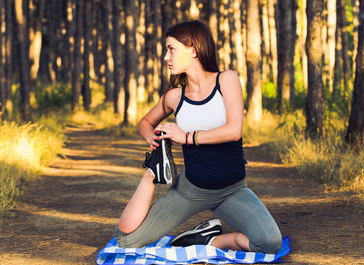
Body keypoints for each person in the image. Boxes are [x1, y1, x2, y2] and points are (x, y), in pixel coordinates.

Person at [114, 20, 282, 253]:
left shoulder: (227, 80)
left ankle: (208, 240)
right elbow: (145, 123)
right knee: (126, 241)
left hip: (233, 189)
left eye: (171, 49)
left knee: (270, 243)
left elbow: (234, 131)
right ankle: (149, 176)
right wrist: (155, 145)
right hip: (190, 191)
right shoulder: (174, 96)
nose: (166, 57)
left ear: (193, 50)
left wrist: (186, 137)